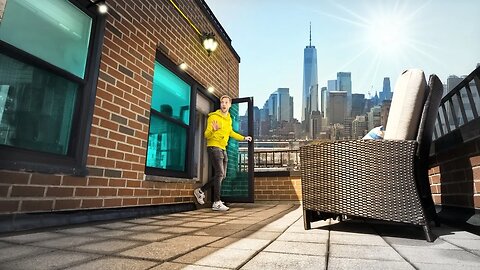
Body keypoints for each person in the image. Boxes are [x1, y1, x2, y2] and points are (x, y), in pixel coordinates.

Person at [194, 95, 252, 211]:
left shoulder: (229, 119)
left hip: (223, 148)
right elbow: (206, 135)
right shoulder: (214, 117)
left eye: (226, 102)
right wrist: (213, 130)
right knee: (220, 174)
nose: (224, 104)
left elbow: (230, 132)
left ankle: (200, 191)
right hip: (214, 146)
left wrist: (243, 138)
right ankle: (216, 202)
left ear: (230, 105)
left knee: (222, 175)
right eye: (222, 102)